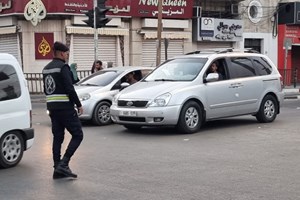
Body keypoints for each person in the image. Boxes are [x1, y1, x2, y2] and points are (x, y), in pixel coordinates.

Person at [42, 41, 84, 179]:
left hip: (52, 108)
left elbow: (46, 90)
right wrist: (78, 104)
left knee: (58, 137)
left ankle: (57, 169)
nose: (67, 56)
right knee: (78, 134)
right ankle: (64, 164)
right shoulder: (63, 67)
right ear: (61, 53)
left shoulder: (46, 69)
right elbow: (69, 88)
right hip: (65, 107)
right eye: (67, 54)